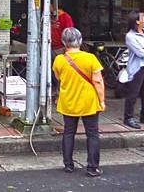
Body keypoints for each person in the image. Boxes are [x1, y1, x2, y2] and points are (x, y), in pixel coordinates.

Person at [52, 27, 105, 177]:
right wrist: (102, 101)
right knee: (92, 134)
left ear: (64, 42)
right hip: (88, 101)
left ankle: (68, 165)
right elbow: (98, 81)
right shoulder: (90, 58)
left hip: (68, 100)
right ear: (80, 41)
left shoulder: (59, 59)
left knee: (68, 132)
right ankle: (92, 167)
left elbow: (58, 77)